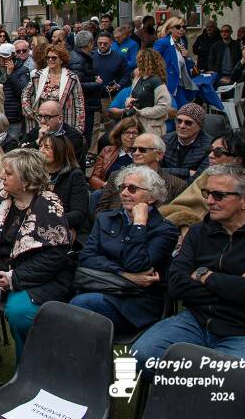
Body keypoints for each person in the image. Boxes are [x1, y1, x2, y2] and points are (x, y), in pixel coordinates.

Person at [132, 164, 245, 380]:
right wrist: (239, 282)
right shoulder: (199, 232)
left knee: (227, 382)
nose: (209, 201)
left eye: (218, 195)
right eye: (207, 193)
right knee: (141, 355)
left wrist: (204, 275)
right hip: (197, 321)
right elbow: (176, 284)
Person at [0, 148, 73, 358]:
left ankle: (29, 364)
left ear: (26, 180)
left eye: (8, 173)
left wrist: (13, 278)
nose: (2, 176)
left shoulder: (49, 206)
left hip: (39, 278)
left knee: (19, 312)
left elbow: (54, 258)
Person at [71, 165, 177, 332]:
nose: (125, 193)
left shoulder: (166, 230)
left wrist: (139, 224)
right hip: (100, 285)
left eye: (133, 188)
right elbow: (86, 257)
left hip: (135, 302)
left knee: (79, 306)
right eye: (122, 187)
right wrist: (123, 274)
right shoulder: (106, 219)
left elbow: (136, 264)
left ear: (151, 196)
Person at [95, 133, 187, 214]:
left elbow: (178, 217)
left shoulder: (177, 185)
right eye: (133, 149)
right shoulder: (116, 176)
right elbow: (100, 209)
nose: (136, 153)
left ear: (159, 155)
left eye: (142, 150)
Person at [22, 43, 85, 135]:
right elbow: (25, 94)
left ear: (61, 60)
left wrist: (78, 129)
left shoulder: (72, 78)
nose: (50, 60)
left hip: (64, 122)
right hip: (40, 123)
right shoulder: (38, 76)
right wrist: (30, 112)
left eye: (54, 58)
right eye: (48, 58)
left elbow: (79, 103)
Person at [40, 132, 90, 242]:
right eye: (41, 146)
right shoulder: (37, 173)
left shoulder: (75, 175)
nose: (41, 151)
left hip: (63, 226)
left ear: (60, 151)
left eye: (47, 147)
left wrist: (52, 219)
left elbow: (79, 213)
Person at [19, 100, 86, 166]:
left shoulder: (73, 136)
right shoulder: (35, 132)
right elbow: (18, 153)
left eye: (47, 117)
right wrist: (38, 142)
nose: (42, 121)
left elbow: (58, 161)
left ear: (60, 119)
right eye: (40, 116)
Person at [124, 49, 173, 137]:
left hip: (152, 128)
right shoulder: (138, 78)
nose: (137, 63)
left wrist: (141, 112)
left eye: (140, 60)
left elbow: (164, 106)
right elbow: (132, 96)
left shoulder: (156, 81)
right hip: (136, 124)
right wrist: (129, 101)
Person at [0, 42, 30, 141]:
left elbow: (22, 92)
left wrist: (11, 75)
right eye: (0, 57)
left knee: (12, 145)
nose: (2, 60)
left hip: (13, 117)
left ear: (13, 57)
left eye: (6, 57)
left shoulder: (23, 70)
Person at [162, 102, 212, 184]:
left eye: (188, 123)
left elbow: (200, 178)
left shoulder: (209, 147)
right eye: (179, 121)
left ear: (199, 126)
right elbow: (155, 170)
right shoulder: (165, 140)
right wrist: (187, 172)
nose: (182, 126)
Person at [89, 117, 142, 190]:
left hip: (133, 192)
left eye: (135, 133)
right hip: (108, 190)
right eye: (127, 132)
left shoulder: (142, 154)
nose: (131, 136)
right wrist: (105, 185)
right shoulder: (107, 151)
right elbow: (94, 178)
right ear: (119, 134)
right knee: (95, 195)